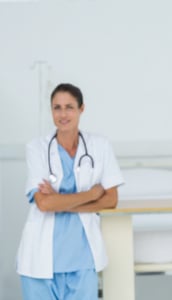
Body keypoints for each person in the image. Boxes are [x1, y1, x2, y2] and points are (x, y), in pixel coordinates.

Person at [16, 83, 124, 299]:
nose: (63, 114)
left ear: (81, 109)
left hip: (83, 258)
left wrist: (59, 200)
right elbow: (44, 204)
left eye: (69, 107)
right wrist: (92, 195)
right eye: (57, 107)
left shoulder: (99, 146)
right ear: (51, 110)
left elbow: (111, 199)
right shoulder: (36, 148)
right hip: (39, 261)